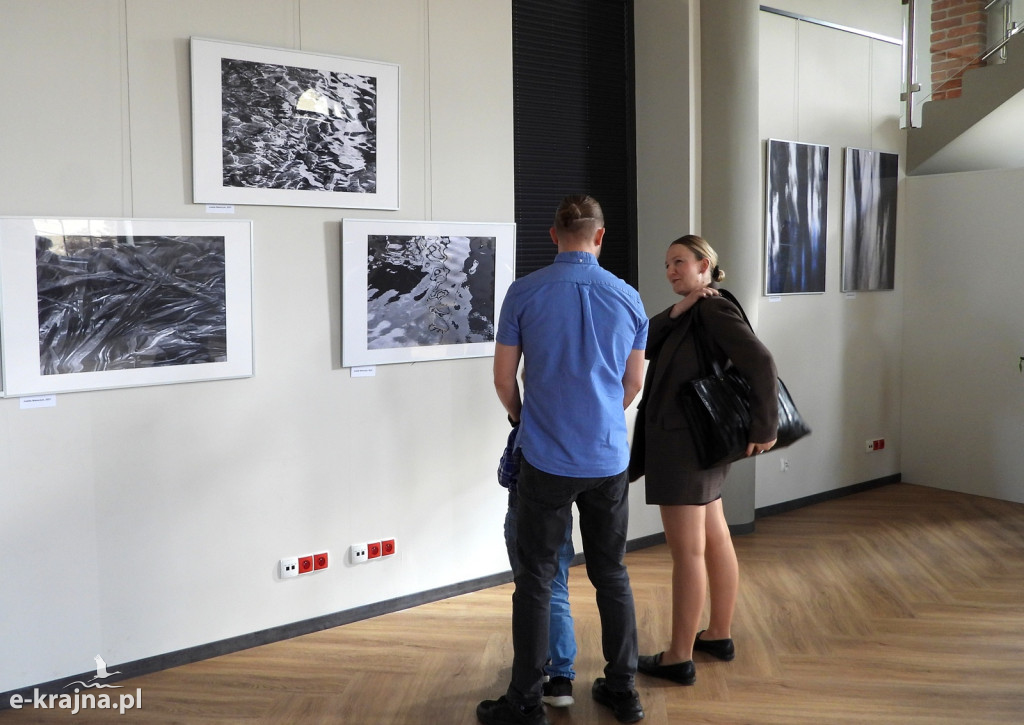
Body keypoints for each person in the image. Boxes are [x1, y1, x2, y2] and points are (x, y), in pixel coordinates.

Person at [477, 195, 649, 725]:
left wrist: (520, 419)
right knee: (612, 574)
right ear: (600, 237)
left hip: (546, 457)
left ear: (554, 235)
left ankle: (526, 702)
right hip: (606, 458)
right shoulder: (627, 298)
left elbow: (504, 379)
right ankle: (623, 690)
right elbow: (634, 383)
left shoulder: (524, 292)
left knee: (535, 579)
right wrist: (599, 417)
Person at [630, 234, 778, 686]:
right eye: (667, 264)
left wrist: (765, 425)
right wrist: (680, 307)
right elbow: (645, 341)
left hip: (686, 447)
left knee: (688, 552)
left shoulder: (713, 308)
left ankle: (678, 656)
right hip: (697, 443)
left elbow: (761, 359)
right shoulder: (693, 311)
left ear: (705, 264)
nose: (671, 270)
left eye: (680, 262)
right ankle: (717, 634)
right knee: (714, 541)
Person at [499, 421, 578, 707]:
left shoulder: (525, 431)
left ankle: (534, 670)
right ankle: (561, 677)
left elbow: (505, 475)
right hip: (560, 517)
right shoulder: (565, 434)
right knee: (558, 591)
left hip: (523, 515)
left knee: (530, 593)